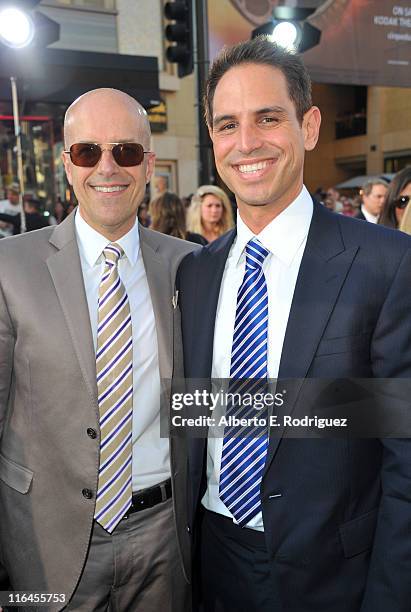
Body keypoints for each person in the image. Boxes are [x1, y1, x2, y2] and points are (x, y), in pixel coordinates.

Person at [177, 37, 411, 612]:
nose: (247, 142)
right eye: (227, 125)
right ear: (213, 142)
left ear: (308, 126)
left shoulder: (385, 263)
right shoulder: (196, 272)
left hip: (336, 577)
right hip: (213, 561)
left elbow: (405, 459)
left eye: (268, 118)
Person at [0, 88, 198, 611]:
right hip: (42, 539)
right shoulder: (8, 267)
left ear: (149, 165)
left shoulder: (190, 265)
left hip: (162, 539)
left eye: (126, 151)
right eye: (88, 151)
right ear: (68, 165)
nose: (107, 167)